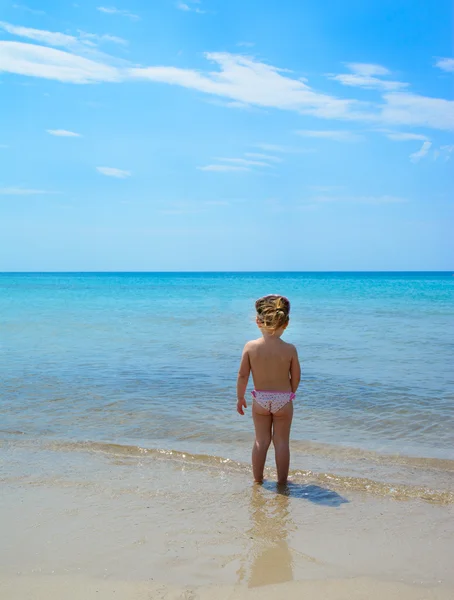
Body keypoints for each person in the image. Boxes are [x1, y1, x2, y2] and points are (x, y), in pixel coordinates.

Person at [236, 295, 301, 485]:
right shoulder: (289, 349)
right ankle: (282, 482)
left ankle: (257, 480)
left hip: (261, 400)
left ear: (258, 321)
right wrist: (290, 394)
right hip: (283, 400)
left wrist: (240, 397)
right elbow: (296, 376)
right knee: (281, 443)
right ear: (286, 323)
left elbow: (242, 376)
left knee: (261, 441)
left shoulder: (250, 347)